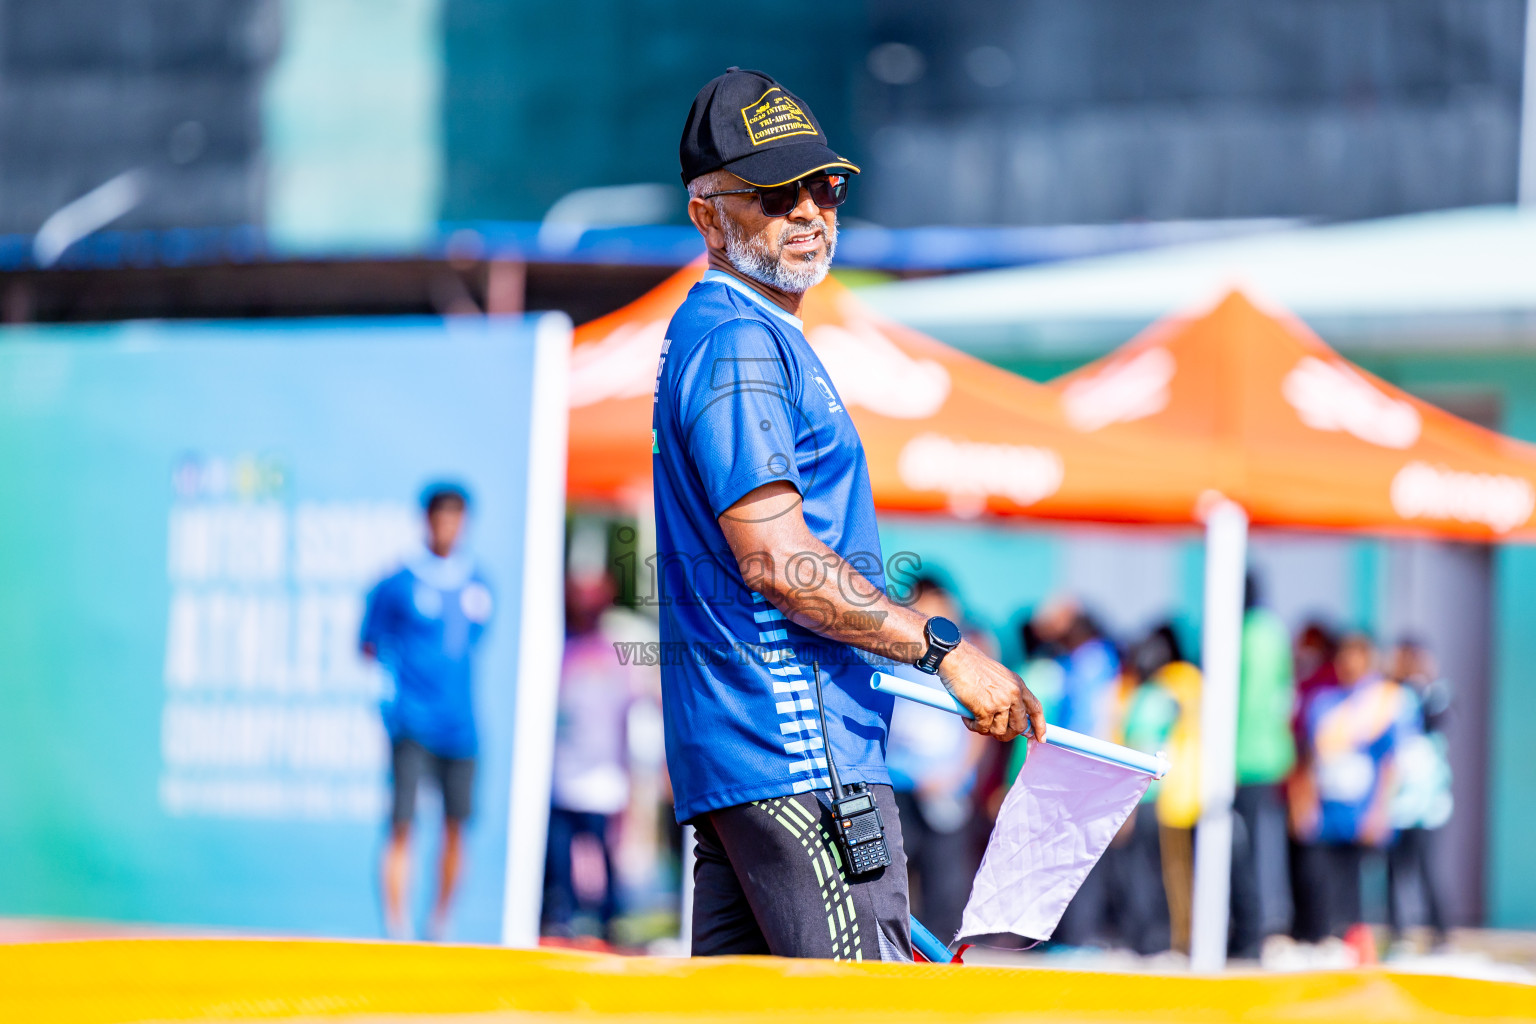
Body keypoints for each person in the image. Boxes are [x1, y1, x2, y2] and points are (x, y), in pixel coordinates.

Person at [656, 68, 1044, 961]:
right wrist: (944, 651)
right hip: (798, 754)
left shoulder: (741, 332)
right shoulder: (738, 339)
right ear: (709, 215)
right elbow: (779, 562)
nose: (808, 211)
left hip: (755, 758)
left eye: (823, 186)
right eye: (775, 192)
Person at [360, 484, 493, 940]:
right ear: (426, 521)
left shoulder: (478, 583)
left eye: (457, 518)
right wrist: (386, 695)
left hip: (461, 727)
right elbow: (368, 644)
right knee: (403, 823)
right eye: (441, 517)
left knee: (457, 826)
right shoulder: (397, 582)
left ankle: (439, 926)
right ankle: (396, 929)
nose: (448, 528)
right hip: (412, 722)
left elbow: (470, 644)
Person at [883, 576, 989, 942]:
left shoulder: (973, 652)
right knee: (893, 867)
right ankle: (899, 942)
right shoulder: (896, 649)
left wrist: (958, 773)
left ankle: (943, 945)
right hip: (897, 777)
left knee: (945, 871)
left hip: (946, 781)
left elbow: (981, 726)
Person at [543, 569, 643, 942]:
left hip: (603, 775)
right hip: (562, 773)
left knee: (603, 850)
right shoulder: (560, 649)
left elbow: (631, 712)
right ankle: (562, 915)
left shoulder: (614, 654)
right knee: (559, 855)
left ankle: (609, 917)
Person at [1303, 633, 1411, 950]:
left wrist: (1379, 810)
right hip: (1328, 810)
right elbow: (1311, 758)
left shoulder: (1380, 704)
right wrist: (1306, 803)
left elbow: (1390, 761)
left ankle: (1357, 945)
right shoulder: (1323, 703)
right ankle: (1325, 940)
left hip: (1361, 810)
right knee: (1321, 881)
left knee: (1358, 887)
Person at [1229, 574, 1296, 958]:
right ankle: (1264, 927)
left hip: (1245, 759)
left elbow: (1249, 703)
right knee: (1266, 849)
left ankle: (1250, 935)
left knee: (1244, 851)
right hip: (1273, 756)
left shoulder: (1245, 633)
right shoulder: (1273, 631)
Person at [1385, 638, 1452, 950]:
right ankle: (1396, 930)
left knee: (1426, 868)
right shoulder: (1390, 695)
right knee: (1395, 871)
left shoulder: (1432, 694)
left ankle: (1439, 931)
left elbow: (1433, 720)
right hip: (1395, 804)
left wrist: (1416, 684)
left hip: (1426, 805)